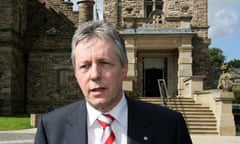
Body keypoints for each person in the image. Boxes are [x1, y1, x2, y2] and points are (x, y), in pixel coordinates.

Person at [34, 21, 192, 144]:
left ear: (124, 70)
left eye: (104, 63)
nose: (95, 75)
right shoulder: (51, 129)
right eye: (85, 66)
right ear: (76, 74)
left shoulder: (170, 126)